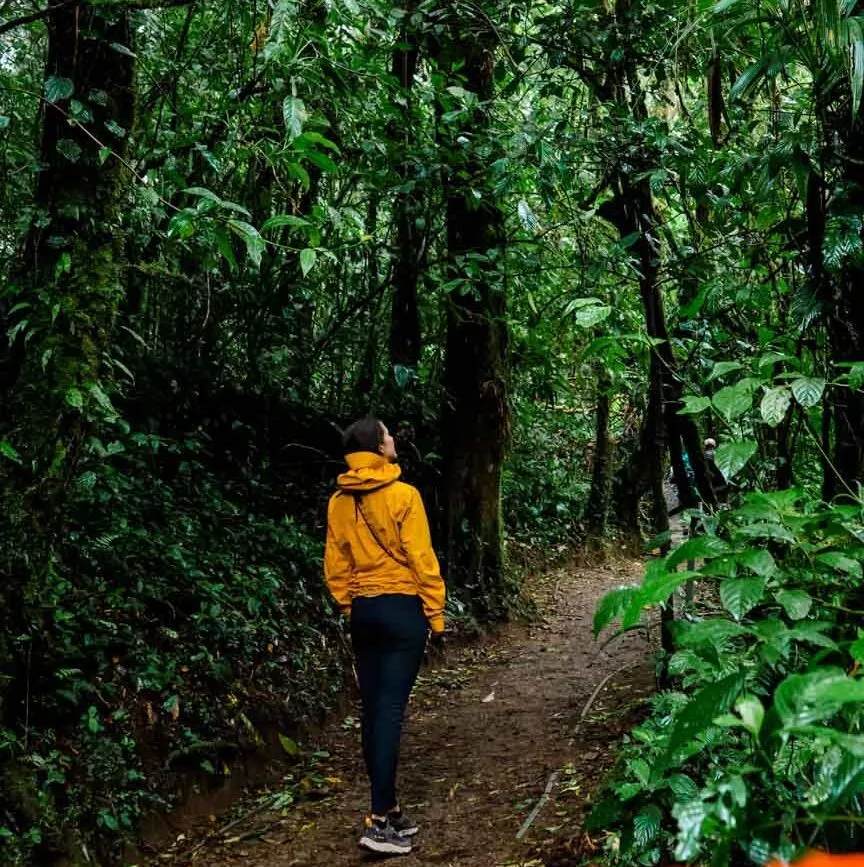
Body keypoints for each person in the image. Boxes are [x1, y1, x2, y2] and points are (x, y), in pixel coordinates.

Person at [324, 415, 446, 856]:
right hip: (401, 610)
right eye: (388, 434)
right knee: (390, 711)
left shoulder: (339, 500)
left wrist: (347, 603)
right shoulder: (403, 496)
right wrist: (435, 615)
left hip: (363, 611)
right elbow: (421, 558)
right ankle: (378, 823)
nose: (395, 438)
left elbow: (335, 563)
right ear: (378, 447)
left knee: (374, 709)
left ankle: (390, 808)